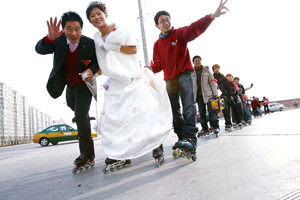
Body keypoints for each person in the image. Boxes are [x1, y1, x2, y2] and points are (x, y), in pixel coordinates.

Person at [86, 2, 172, 168]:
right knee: (114, 118)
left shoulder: (118, 29)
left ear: (105, 14)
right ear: (90, 20)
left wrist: (112, 46)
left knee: (143, 114)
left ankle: (156, 146)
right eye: (92, 16)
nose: (96, 17)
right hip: (116, 82)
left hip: (132, 77)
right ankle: (120, 153)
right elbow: (103, 64)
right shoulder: (96, 39)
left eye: (98, 13)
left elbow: (133, 49)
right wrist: (93, 74)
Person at [147, 0, 228, 153]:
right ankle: (181, 137)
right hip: (169, 79)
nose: (166, 22)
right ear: (157, 26)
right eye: (162, 21)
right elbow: (159, 65)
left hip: (185, 74)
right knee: (174, 110)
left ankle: (190, 138)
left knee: (188, 106)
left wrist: (211, 16)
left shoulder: (179, 34)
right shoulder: (157, 45)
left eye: (167, 19)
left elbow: (194, 28)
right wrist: (150, 68)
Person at [35, 12, 100, 168]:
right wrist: (49, 38)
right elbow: (39, 49)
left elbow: (98, 62)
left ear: (81, 29)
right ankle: (83, 117)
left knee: (80, 115)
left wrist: (91, 70)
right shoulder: (58, 42)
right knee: (76, 110)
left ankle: (87, 154)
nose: (73, 33)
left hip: (85, 86)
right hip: (69, 86)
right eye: (69, 29)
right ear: (63, 30)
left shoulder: (89, 43)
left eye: (77, 29)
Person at [193, 56, 219, 136]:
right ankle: (205, 128)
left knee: (212, 112)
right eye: (195, 61)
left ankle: (215, 127)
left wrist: (215, 93)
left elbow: (212, 82)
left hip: (209, 95)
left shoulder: (206, 70)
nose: (197, 62)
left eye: (198, 60)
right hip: (198, 96)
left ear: (201, 61)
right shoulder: (191, 72)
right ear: (193, 62)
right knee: (201, 113)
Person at [212, 64, 234, 131]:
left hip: (223, 95)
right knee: (214, 110)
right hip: (214, 95)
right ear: (213, 69)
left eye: (218, 68)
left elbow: (228, 86)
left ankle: (228, 124)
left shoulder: (222, 77)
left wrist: (230, 95)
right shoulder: (211, 76)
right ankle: (215, 126)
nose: (217, 69)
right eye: (215, 68)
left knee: (225, 110)